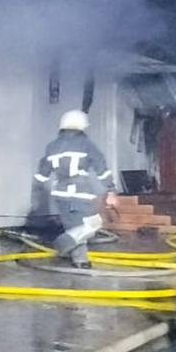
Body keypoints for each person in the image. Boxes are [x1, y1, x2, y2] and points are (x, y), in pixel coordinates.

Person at [33, 110, 118, 268]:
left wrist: (36, 199)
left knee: (74, 226)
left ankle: (80, 260)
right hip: (81, 193)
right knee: (93, 224)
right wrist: (111, 190)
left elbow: (41, 176)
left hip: (60, 194)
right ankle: (65, 243)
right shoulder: (86, 144)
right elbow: (102, 169)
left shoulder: (52, 147)